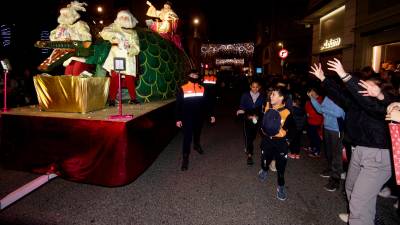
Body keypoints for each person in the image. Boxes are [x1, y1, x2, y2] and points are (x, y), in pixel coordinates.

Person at [310, 59, 392, 225]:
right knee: (351, 189)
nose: (362, 89)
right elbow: (339, 96)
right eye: (362, 86)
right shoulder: (356, 103)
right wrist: (323, 79)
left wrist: (344, 75)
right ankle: (362, 215)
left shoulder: (384, 105)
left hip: (377, 156)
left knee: (359, 200)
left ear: (379, 90)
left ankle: (360, 217)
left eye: (369, 87)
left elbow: (385, 102)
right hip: (358, 150)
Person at [258, 86, 294, 201]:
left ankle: (281, 186)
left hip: (280, 143)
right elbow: (263, 121)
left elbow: (292, 130)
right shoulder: (267, 106)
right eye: (271, 94)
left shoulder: (287, 112)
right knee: (265, 159)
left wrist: (287, 141)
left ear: (281, 98)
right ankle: (264, 169)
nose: (270, 96)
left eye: (274, 94)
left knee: (281, 166)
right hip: (267, 140)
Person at [307, 85, 345, 192]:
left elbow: (339, 113)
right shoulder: (328, 98)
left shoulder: (341, 98)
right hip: (327, 127)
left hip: (336, 129)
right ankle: (330, 169)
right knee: (329, 152)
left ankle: (335, 179)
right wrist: (312, 99)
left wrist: (325, 110)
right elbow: (320, 110)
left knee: (336, 154)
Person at [175, 69, 215, 171]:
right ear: (188, 75)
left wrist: (211, 114)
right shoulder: (183, 88)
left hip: (199, 116)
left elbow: (207, 103)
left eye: (196, 75)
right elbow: (178, 105)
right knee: (187, 137)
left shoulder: (202, 88)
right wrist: (178, 119)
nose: (194, 76)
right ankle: (185, 158)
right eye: (192, 74)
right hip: (187, 117)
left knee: (197, 132)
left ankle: (197, 145)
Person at [100, 10, 141, 106]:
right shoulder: (114, 26)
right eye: (121, 17)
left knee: (129, 78)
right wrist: (115, 34)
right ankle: (112, 99)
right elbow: (104, 32)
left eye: (126, 17)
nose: (123, 19)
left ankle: (133, 98)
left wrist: (130, 50)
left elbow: (137, 47)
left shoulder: (133, 32)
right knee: (115, 77)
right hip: (116, 56)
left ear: (130, 19)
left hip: (128, 57)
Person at [45, 1, 92, 75]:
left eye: (66, 15)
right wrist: (58, 36)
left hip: (80, 55)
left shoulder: (81, 24)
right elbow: (53, 37)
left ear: (72, 15)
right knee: (68, 75)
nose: (63, 17)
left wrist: (72, 35)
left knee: (77, 74)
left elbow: (87, 40)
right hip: (68, 56)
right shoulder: (62, 26)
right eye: (62, 15)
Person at [236, 79, 265, 165]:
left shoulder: (262, 96)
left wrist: (258, 116)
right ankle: (249, 155)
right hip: (247, 118)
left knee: (253, 136)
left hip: (257, 119)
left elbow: (262, 110)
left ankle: (248, 146)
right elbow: (242, 107)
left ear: (259, 87)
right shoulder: (245, 95)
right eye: (253, 87)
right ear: (250, 87)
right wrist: (247, 115)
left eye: (257, 87)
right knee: (248, 137)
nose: (255, 89)